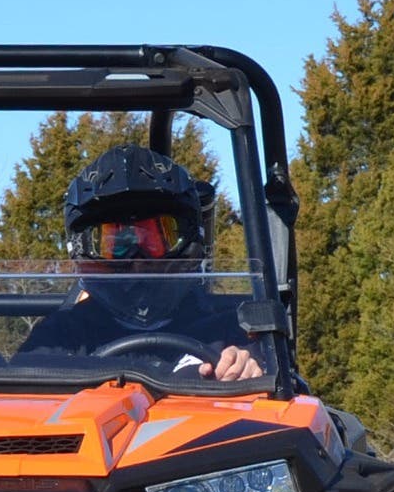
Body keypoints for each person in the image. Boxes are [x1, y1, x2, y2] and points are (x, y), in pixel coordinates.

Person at [18, 145, 263, 381]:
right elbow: (25, 394)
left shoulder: (227, 332)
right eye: (114, 244)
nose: (137, 261)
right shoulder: (61, 335)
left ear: (188, 244)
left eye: (157, 239)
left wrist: (247, 368)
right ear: (83, 251)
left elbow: (266, 383)